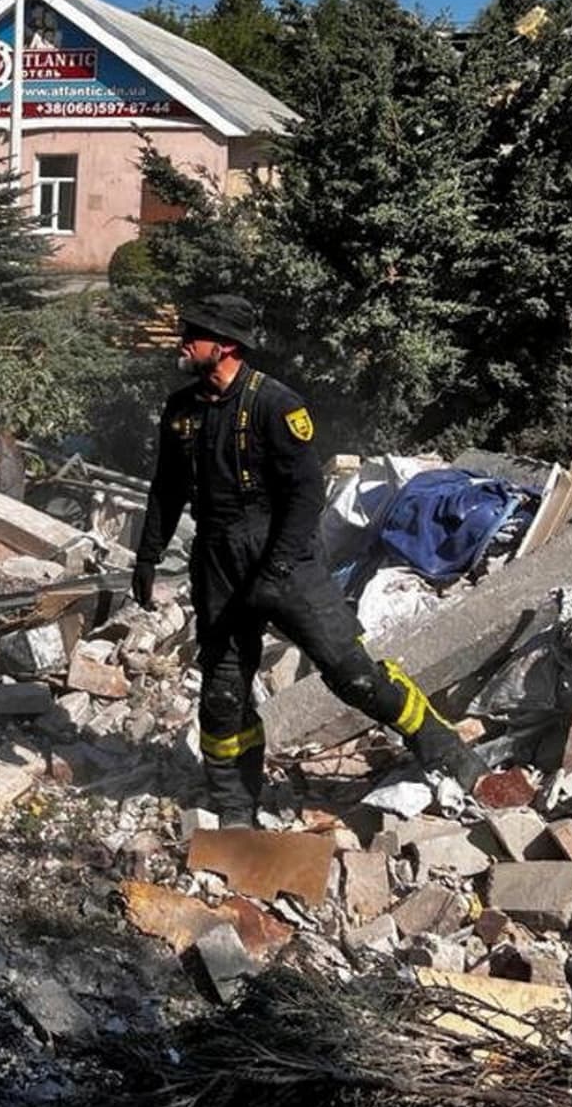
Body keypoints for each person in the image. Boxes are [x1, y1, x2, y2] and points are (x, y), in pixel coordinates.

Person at [131, 295, 487, 826]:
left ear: (225, 345)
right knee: (224, 692)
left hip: (287, 558)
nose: (183, 341)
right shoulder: (182, 411)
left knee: (353, 675)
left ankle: (443, 747)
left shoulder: (276, 406)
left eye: (194, 334)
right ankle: (235, 806)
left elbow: (305, 497)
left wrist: (274, 570)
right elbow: (167, 487)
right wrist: (148, 553)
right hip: (218, 561)